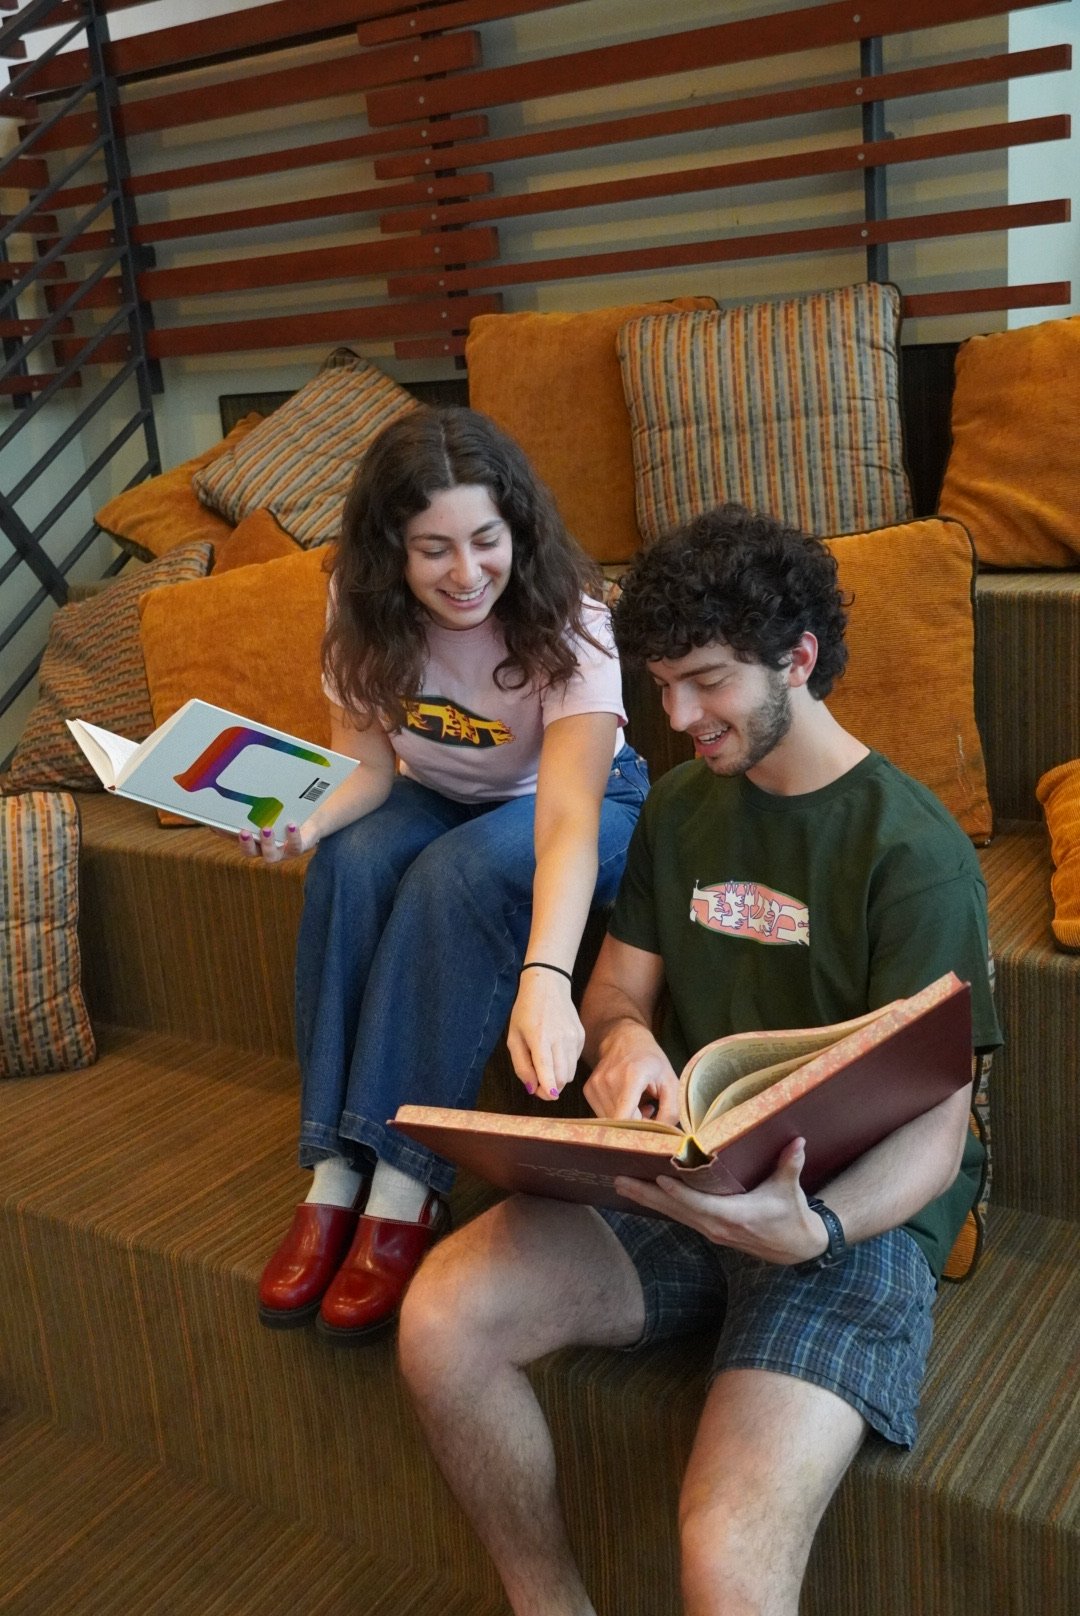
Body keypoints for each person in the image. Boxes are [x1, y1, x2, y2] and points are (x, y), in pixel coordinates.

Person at [397, 504, 1001, 1616]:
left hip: (843, 1226)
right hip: (687, 1178)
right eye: (663, 685)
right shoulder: (680, 806)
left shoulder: (912, 853)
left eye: (708, 683)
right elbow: (617, 993)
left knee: (723, 1553)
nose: (678, 718)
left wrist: (819, 1228)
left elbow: (937, 1126)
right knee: (441, 1320)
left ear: (798, 659)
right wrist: (624, 1043)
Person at [252, 406, 649, 1342]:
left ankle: (404, 1182)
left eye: (485, 541)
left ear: (518, 530)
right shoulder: (357, 601)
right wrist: (305, 823)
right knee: (353, 858)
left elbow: (565, 820)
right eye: (434, 550)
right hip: (433, 791)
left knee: (453, 875)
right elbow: (368, 770)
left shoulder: (572, 617)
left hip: (582, 805)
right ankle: (333, 1171)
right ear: (391, 551)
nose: (466, 573)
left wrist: (546, 977)